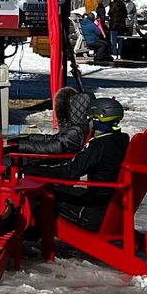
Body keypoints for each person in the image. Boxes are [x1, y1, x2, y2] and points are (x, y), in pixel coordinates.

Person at [17, 94, 130, 233]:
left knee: (45, 194)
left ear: (96, 119)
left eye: (90, 118)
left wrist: (29, 171)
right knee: (61, 190)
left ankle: (28, 234)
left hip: (95, 212)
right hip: (113, 205)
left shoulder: (99, 145)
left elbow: (69, 172)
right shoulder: (122, 139)